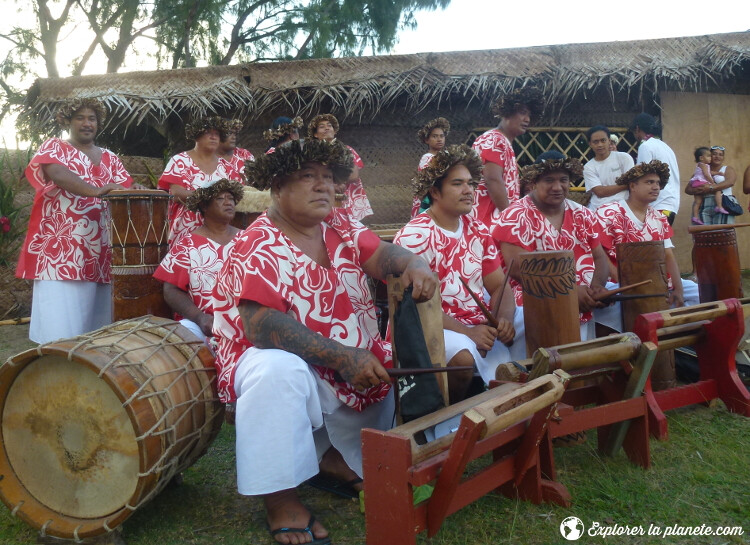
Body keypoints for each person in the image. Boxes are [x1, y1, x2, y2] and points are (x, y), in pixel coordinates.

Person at [211, 138, 436, 545]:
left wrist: (415, 265)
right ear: (277, 187)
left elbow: (384, 255)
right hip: (276, 361)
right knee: (276, 370)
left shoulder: (340, 228)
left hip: (351, 363)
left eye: (328, 178)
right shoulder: (256, 242)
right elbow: (261, 325)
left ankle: (332, 461)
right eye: (307, 176)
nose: (323, 187)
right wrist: (342, 356)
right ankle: (280, 499)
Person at [393, 145, 516, 401]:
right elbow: (413, 308)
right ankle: (450, 419)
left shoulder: (477, 228)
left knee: (531, 320)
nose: (469, 190)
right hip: (431, 324)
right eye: (458, 184)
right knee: (462, 357)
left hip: (478, 321)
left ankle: (525, 402)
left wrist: (502, 320)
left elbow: (498, 286)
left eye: (471, 183)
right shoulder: (415, 236)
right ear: (435, 191)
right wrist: (468, 332)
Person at [16, 98, 133, 343]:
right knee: (60, 327)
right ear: (67, 121)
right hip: (61, 251)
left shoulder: (111, 157)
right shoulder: (54, 147)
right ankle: (54, 369)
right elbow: (57, 173)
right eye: (80, 118)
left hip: (101, 250)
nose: (86, 123)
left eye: (92, 118)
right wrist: (96, 190)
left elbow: (125, 189)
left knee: (97, 331)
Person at [493, 151, 610, 344]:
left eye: (563, 180)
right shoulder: (514, 216)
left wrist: (596, 289)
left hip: (582, 294)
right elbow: (517, 270)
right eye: (549, 180)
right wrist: (570, 293)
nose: (557, 187)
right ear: (533, 183)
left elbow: (599, 258)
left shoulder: (583, 214)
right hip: (530, 295)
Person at [593, 160, 700, 332]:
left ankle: (665, 334)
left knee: (698, 293)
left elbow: (668, 255)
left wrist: (678, 288)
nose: (656, 187)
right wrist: (625, 284)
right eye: (649, 182)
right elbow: (601, 254)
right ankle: (634, 342)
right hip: (618, 283)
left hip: (657, 281)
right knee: (617, 306)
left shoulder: (659, 217)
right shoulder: (608, 213)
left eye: (658, 183)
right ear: (633, 186)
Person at [153, 178, 243, 345]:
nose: (228, 202)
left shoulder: (248, 240)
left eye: (230, 198)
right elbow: (170, 290)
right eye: (220, 198)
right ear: (204, 206)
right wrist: (200, 318)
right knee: (183, 340)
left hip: (245, 323)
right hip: (201, 324)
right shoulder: (187, 243)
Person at [471, 86, 543, 226]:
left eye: (529, 115)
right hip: (487, 222)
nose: (527, 119)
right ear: (507, 112)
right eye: (522, 112)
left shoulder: (503, 142)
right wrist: (509, 219)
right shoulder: (493, 140)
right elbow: (492, 179)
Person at [158, 116, 233, 245]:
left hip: (219, 231)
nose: (213, 137)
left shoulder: (226, 166)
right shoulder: (179, 161)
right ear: (196, 135)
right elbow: (175, 194)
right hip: (185, 229)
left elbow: (235, 195)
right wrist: (209, 197)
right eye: (208, 133)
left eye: (217, 134)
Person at [308, 113, 373, 222]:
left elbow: (354, 175)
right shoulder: (311, 153)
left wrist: (338, 182)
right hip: (323, 195)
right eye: (321, 127)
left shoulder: (347, 150)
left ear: (334, 130)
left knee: (349, 230)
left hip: (346, 197)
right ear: (315, 134)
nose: (327, 128)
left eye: (329, 125)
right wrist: (331, 185)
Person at [630, 113, 680, 225]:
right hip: (671, 203)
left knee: (656, 241)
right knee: (663, 241)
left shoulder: (646, 146)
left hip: (658, 203)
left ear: (637, 129)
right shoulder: (665, 147)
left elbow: (642, 174)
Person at [582, 125, 634, 210]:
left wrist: (629, 184)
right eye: (595, 142)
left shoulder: (624, 158)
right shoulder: (588, 167)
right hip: (598, 210)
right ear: (590, 144)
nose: (600, 145)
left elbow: (633, 183)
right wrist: (626, 185)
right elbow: (599, 192)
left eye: (603, 140)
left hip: (624, 208)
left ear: (609, 141)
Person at [686, 145, 738, 225]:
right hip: (703, 205)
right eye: (714, 154)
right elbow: (688, 189)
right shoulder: (701, 170)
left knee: (722, 233)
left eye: (721, 155)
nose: (717, 157)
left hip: (723, 202)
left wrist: (711, 187)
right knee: (704, 234)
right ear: (708, 156)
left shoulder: (727, 169)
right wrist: (698, 189)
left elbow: (730, 182)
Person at [412, 117, 451, 217]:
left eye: (442, 136)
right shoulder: (427, 158)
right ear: (426, 140)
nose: (439, 139)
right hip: (429, 201)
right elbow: (426, 185)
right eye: (434, 136)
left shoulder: (446, 156)